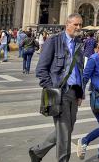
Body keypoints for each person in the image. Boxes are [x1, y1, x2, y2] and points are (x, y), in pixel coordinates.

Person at [29, 13, 85, 162]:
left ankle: (37, 151)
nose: (79, 27)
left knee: (67, 129)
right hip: (60, 92)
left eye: (80, 25)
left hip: (74, 92)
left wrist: (81, 94)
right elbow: (41, 69)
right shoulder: (54, 41)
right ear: (67, 24)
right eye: (76, 24)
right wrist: (52, 89)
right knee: (65, 132)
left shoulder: (79, 43)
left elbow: (80, 71)